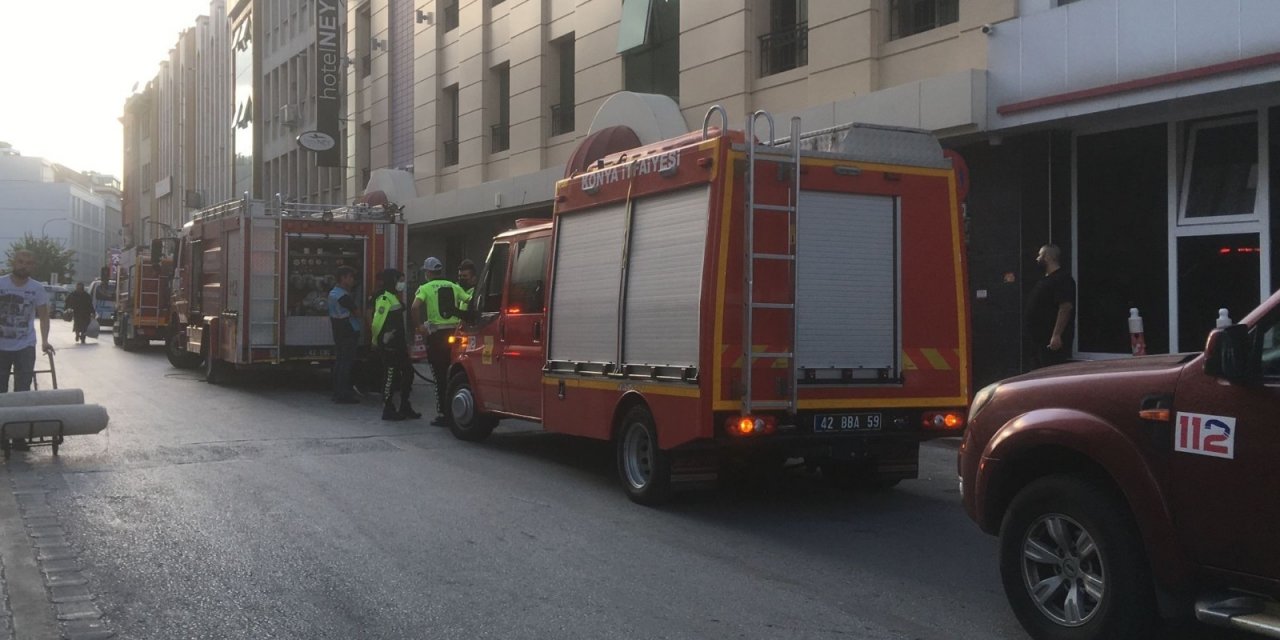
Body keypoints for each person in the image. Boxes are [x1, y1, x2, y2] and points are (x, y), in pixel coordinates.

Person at [1, 250, 55, 451]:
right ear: (14, 263)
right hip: (1, 347)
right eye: (21, 262)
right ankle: (2, 433)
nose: (24, 265)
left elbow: (44, 316)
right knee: (1, 391)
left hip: (25, 346)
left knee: (22, 391)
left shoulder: (37, 289)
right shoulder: (1, 284)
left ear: (33, 267)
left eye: (28, 263)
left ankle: (19, 436)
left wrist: (45, 341)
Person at [412, 257, 470, 426]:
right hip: (455, 335)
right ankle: (455, 410)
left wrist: (419, 327)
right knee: (454, 374)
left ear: (429, 272)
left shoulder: (425, 288)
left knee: (439, 376)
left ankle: (444, 414)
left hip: (436, 337)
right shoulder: (454, 286)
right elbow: (469, 301)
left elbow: (415, 307)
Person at [371, 268, 420, 421]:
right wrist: (378, 341)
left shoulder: (393, 297)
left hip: (399, 345)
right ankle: (387, 408)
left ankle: (404, 405)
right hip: (390, 345)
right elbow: (377, 323)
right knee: (390, 376)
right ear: (392, 280)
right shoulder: (384, 298)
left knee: (408, 373)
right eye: (400, 280)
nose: (402, 284)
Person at [1025, 244, 1076, 369]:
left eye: (1039, 255)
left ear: (1047, 257)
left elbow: (1065, 307)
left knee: (1050, 374)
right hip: (1038, 341)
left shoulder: (1062, 279)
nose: (1037, 259)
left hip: (1051, 344)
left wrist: (1056, 335)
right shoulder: (1045, 280)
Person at [328, 265, 362, 404]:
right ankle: (343, 394)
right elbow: (357, 312)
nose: (353, 280)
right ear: (343, 278)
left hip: (338, 330)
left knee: (340, 362)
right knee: (346, 364)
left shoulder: (333, 293)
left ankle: (337, 392)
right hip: (348, 330)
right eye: (350, 277)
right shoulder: (343, 296)